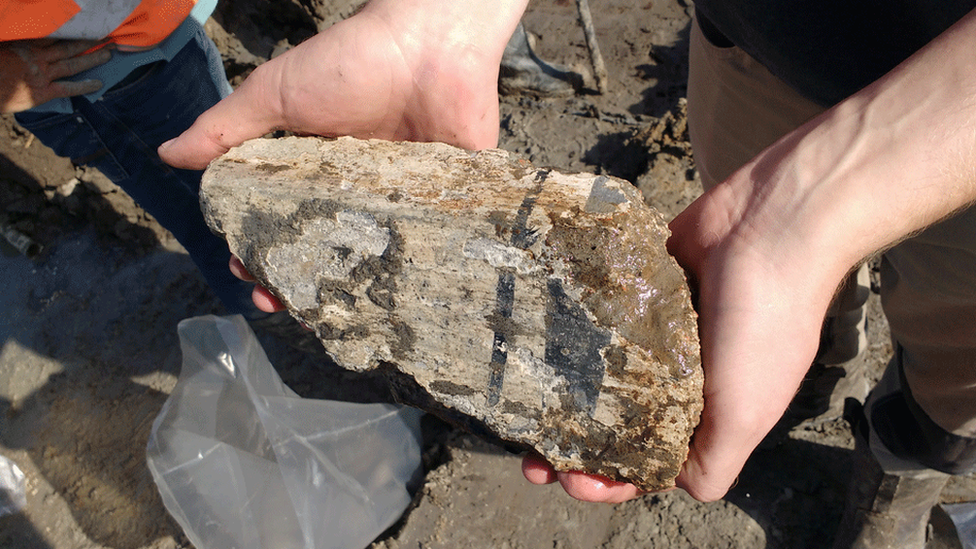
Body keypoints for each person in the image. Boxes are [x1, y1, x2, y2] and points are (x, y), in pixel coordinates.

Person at [158, 1, 976, 547]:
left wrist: (812, 208)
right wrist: (445, 20)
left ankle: (899, 478)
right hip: (759, 36)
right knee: (763, 292)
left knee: (954, 376)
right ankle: (812, 369)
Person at [1, 0, 263, 320]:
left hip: (154, 32)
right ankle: (283, 321)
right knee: (232, 227)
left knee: (239, 213)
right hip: (111, 80)